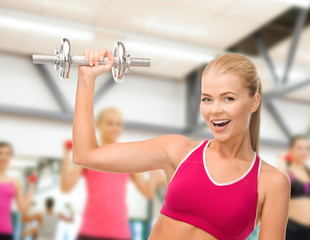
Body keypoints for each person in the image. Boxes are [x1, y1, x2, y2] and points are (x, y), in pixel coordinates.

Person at [72, 49, 290, 240]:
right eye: (207, 99)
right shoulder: (178, 151)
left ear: (254, 102)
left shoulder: (271, 183)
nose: (215, 110)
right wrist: (86, 79)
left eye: (228, 98)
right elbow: (85, 154)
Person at [61, 108, 161, 240]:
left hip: (119, 233)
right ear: (99, 125)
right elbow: (66, 186)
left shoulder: (127, 156)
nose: (115, 128)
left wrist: (154, 163)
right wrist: (66, 154)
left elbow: (148, 192)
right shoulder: (89, 155)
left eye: (118, 124)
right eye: (110, 123)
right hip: (90, 231)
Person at [0, 142, 35, 240]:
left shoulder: (15, 182)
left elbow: (24, 209)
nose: (4, 157)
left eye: (8, 154)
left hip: (6, 232)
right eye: (1, 153)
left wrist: (31, 186)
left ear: (11, 157)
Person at [277, 135, 310, 239]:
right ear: (290, 150)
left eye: (307, 148)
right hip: (293, 228)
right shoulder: (287, 173)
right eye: (300, 148)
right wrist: (281, 161)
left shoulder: (308, 173)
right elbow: (277, 185)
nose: (304, 151)